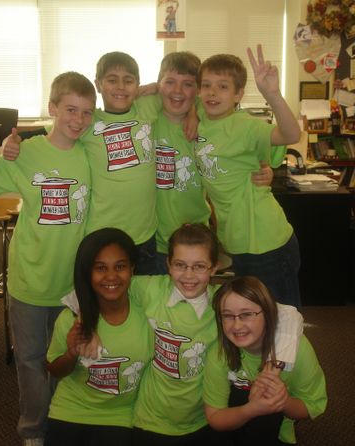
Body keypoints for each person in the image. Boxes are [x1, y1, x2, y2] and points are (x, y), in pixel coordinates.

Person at [0, 71, 96, 446]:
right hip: (30, 282)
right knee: (32, 362)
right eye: (70, 109)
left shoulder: (92, 153)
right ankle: (34, 429)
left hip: (74, 285)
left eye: (86, 112)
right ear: (51, 108)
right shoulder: (25, 153)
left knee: (70, 360)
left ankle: (64, 422)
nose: (78, 120)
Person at [127, 223, 303, 445]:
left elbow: (288, 315)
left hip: (203, 418)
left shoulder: (224, 302)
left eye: (199, 266)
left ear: (214, 268)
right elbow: (106, 285)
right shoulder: (151, 289)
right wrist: (86, 318)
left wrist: (275, 365)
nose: (189, 275)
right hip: (150, 419)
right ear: (168, 265)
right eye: (180, 265)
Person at [3, 51, 165, 274]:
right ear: (98, 85)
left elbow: (177, 91)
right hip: (101, 233)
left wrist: (154, 87)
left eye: (128, 81)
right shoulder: (87, 120)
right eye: (112, 80)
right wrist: (12, 141)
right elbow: (50, 131)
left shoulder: (147, 107)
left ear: (137, 84)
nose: (120, 87)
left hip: (144, 234)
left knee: (144, 300)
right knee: (104, 299)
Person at [194, 45, 302, 309]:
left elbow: (290, 135)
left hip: (267, 242)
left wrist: (273, 95)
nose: (212, 92)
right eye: (206, 85)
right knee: (252, 318)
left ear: (238, 94)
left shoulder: (247, 126)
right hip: (237, 243)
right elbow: (169, 91)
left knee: (280, 322)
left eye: (223, 86)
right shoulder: (200, 117)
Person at [154, 51, 275, 274]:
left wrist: (265, 169)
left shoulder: (210, 123)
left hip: (197, 232)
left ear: (197, 91)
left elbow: (245, 154)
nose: (178, 90)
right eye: (170, 82)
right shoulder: (150, 117)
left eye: (189, 84)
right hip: (156, 237)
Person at [44, 228, 153, 445]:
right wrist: (71, 352)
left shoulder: (148, 312)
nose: (111, 276)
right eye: (100, 268)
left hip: (120, 415)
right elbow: (54, 370)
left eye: (120, 266)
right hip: (70, 410)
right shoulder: (71, 319)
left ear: (132, 269)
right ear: (87, 273)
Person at [203, 276, 327, 445]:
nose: (237, 326)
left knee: (267, 397)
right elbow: (215, 418)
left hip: (273, 425)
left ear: (267, 314)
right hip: (235, 415)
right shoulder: (220, 352)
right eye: (228, 316)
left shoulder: (298, 350)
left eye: (247, 314)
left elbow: (310, 407)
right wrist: (251, 409)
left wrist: (282, 402)